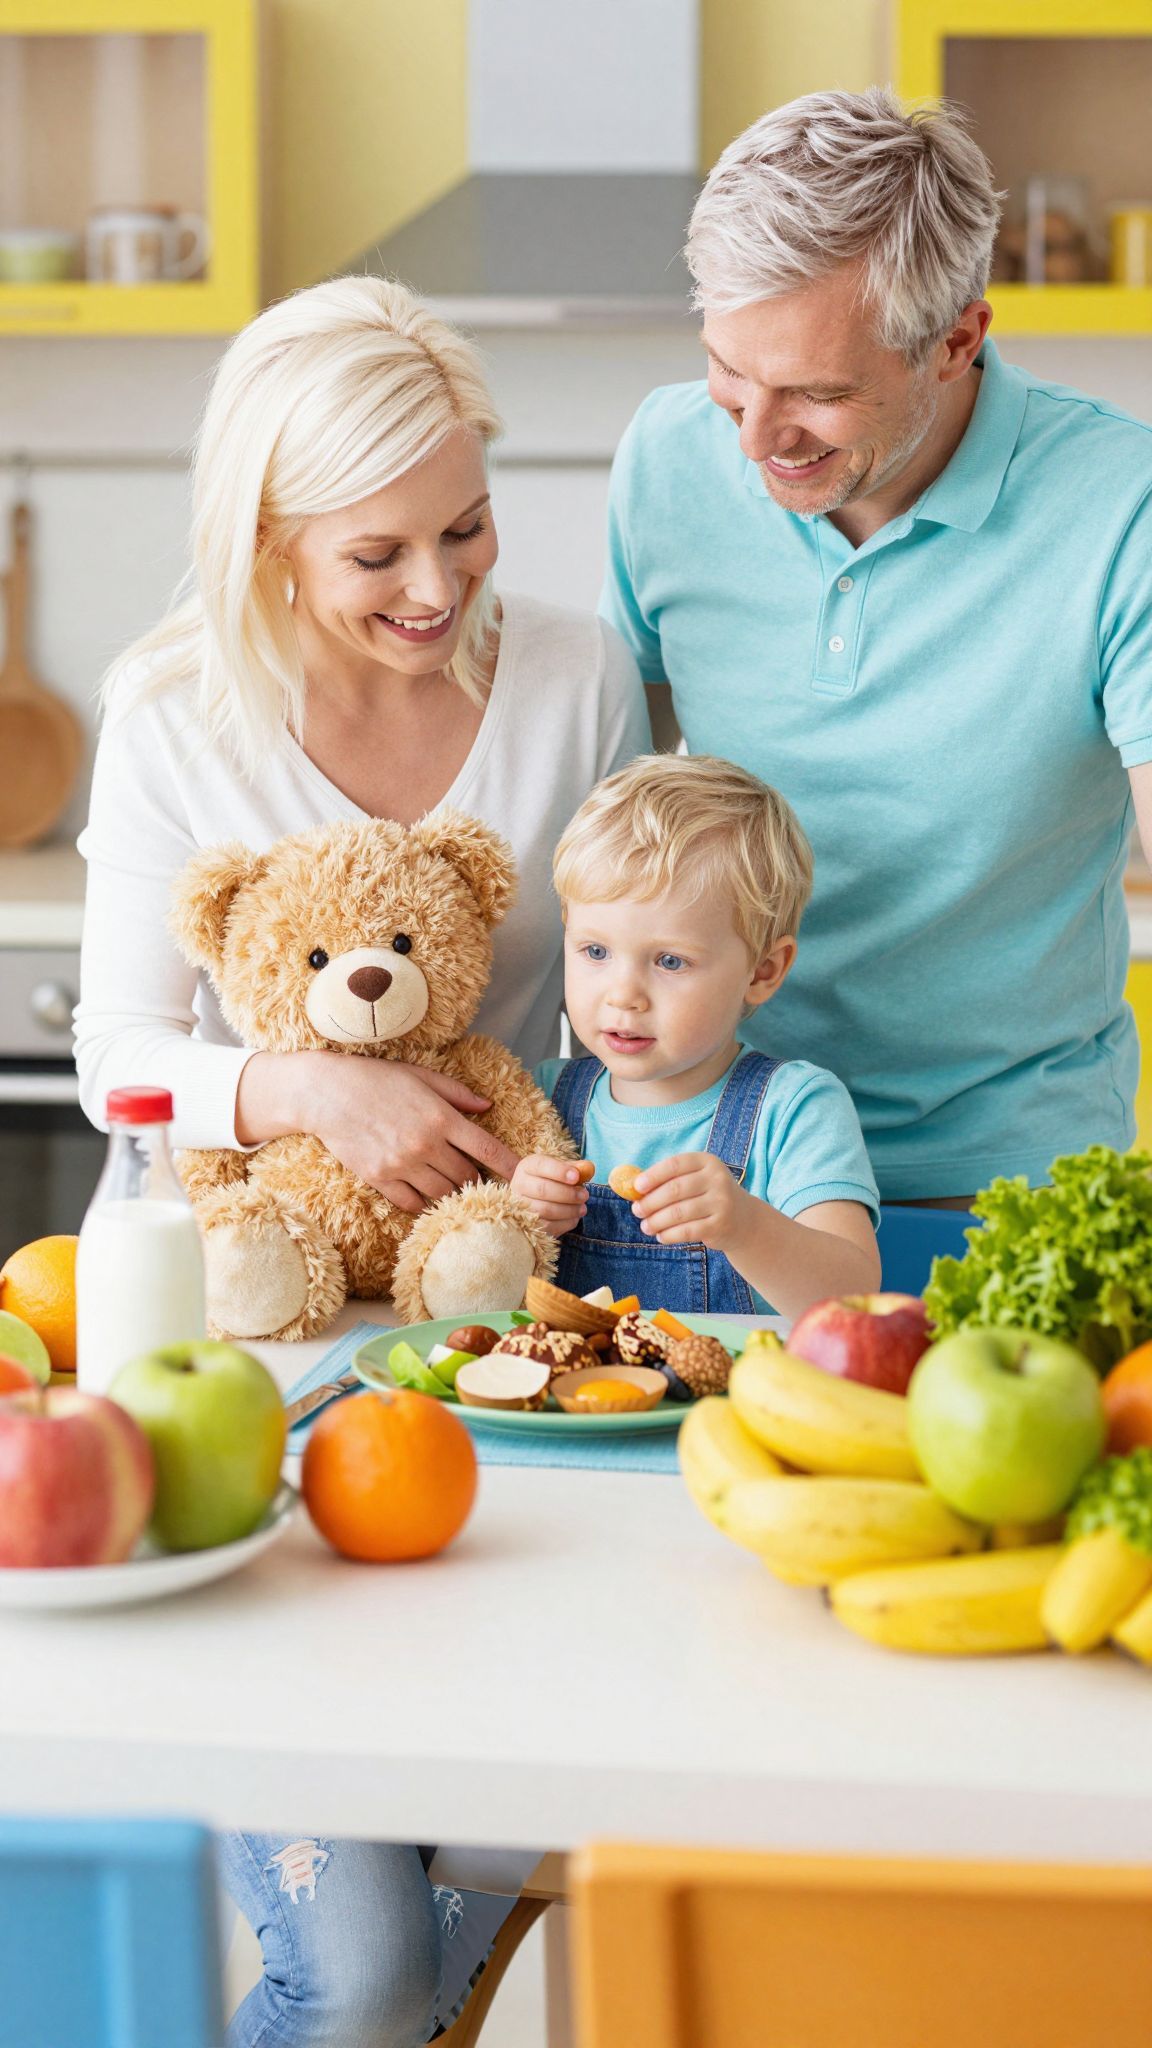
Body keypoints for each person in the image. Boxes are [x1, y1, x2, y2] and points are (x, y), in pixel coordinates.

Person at [74, 275, 650, 2046]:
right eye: (375, 553)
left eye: (465, 529)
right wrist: (316, 1090)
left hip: (481, 1350)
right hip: (232, 1356)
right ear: (268, 541)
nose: (434, 589)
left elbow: (620, 984)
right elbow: (117, 1059)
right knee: (376, 1969)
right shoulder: (176, 706)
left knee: (504, 1829)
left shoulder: (571, 676)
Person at [602, 87, 1152, 1209]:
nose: (756, 438)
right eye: (729, 373)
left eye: (816, 392)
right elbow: (620, 812)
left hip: (1004, 1181)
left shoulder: (1121, 506)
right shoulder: (667, 457)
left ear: (958, 340)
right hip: (717, 1173)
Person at [511, 754, 880, 1319]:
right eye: (595, 951)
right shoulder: (540, 1099)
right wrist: (515, 1217)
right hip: (573, 1403)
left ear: (762, 972)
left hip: (740, 1403)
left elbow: (854, 1301)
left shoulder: (796, 1108)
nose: (623, 993)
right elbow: (477, 1284)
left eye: (670, 961)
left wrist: (745, 1226)